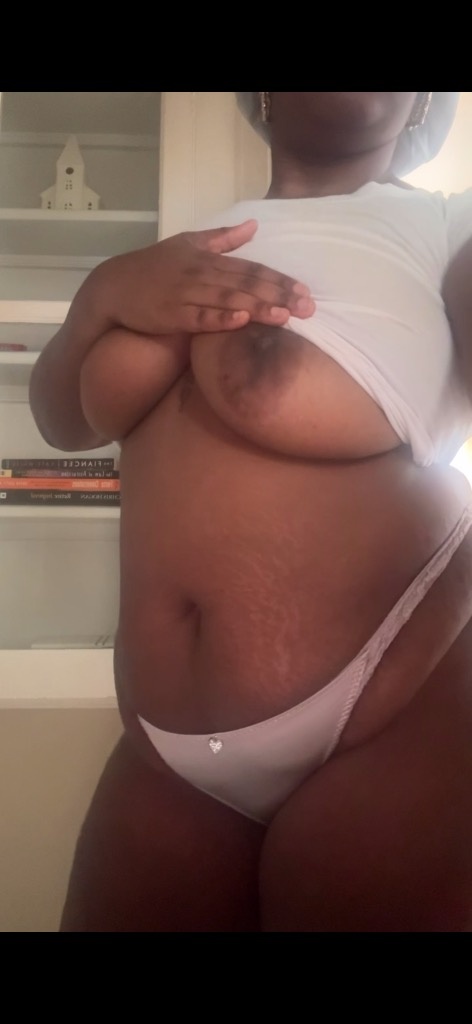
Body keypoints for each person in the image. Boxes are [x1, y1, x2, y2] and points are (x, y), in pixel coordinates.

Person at [29, 93, 472, 932]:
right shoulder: (188, 247)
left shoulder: (449, 224)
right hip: (169, 756)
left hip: (395, 701)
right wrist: (101, 296)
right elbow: (62, 422)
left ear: (423, 102)